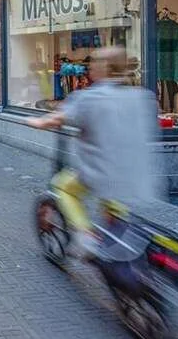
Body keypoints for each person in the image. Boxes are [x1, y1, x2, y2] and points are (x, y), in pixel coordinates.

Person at [30, 46, 157, 258]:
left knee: (63, 187)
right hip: (135, 171)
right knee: (113, 203)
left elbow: (54, 119)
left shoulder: (88, 98)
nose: (89, 71)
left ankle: (85, 236)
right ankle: (121, 239)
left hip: (99, 170)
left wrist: (34, 121)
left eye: (92, 66)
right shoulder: (142, 96)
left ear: (101, 69)